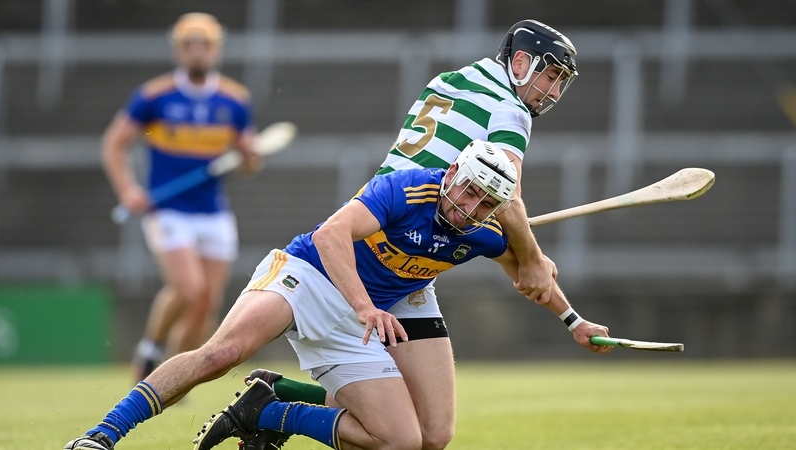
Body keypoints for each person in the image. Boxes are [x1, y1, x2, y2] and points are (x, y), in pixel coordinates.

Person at [62, 140, 611, 450]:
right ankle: (101, 436)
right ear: (451, 174)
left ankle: (272, 414)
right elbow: (330, 234)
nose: (468, 207)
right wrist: (365, 305)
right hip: (310, 275)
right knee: (221, 354)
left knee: (407, 442)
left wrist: (573, 321)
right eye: (467, 189)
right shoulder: (406, 187)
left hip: (362, 318)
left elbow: (534, 281)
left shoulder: (486, 232)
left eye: (485, 202)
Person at [239, 19, 586, 450]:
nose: (553, 93)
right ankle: (271, 412)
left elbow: (478, 192)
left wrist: (573, 319)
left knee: (430, 434)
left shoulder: (451, 81)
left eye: (560, 83)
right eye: (550, 76)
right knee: (402, 437)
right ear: (520, 61)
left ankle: (277, 395)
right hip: (392, 248)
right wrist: (532, 257)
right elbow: (509, 194)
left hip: (394, 237)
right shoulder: (511, 110)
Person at [101, 12, 260, 382]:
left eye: (204, 44)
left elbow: (246, 161)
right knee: (190, 289)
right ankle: (150, 348)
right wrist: (128, 189)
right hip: (168, 209)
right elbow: (114, 144)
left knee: (207, 304)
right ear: (178, 50)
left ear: (216, 49)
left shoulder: (235, 100)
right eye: (190, 45)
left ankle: (174, 376)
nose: (197, 52)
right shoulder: (154, 96)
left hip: (213, 212)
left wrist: (250, 157)